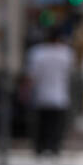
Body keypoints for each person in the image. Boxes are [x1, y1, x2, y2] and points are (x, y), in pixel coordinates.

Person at [24, 27, 74, 156]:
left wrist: (26, 92)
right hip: (59, 96)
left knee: (42, 125)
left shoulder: (37, 53)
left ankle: (40, 147)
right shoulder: (66, 53)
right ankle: (54, 147)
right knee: (56, 125)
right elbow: (70, 73)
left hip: (41, 96)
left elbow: (31, 76)